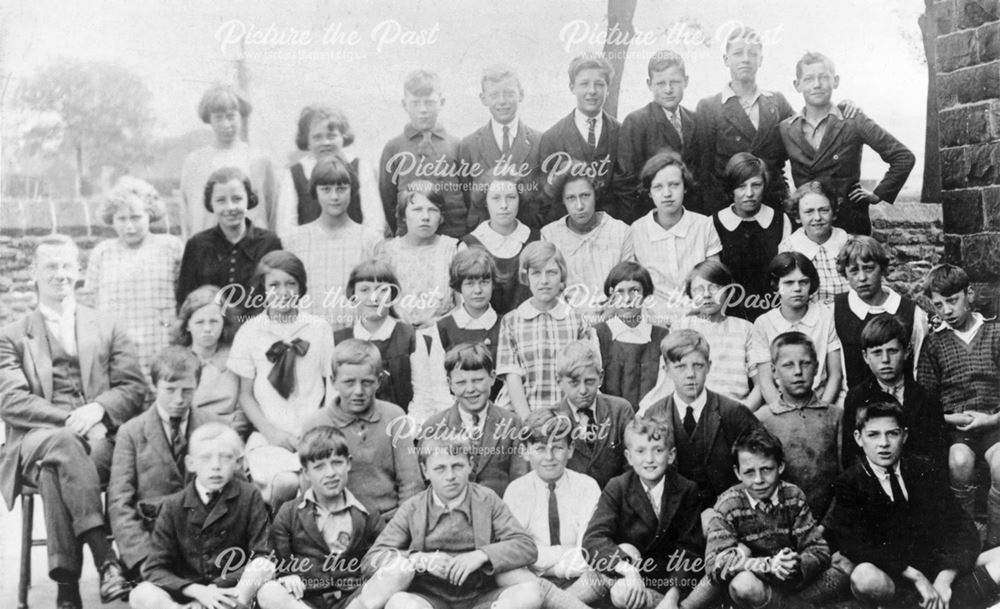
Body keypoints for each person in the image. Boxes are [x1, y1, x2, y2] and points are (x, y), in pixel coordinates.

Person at [0, 234, 145, 607]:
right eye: (51, 266)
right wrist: (70, 418)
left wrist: (98, 409)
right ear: (33, 273)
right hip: (35, 440)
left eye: (67, 265)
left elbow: (133, 387)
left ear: (79, 271)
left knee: (58, 469)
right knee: (62, 445)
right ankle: (106, 560)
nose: (60, 274)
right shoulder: (12, 336)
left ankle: (67, 588)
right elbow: (10, 399)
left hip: (97, 442)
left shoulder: (108, 325)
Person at [825, 400, 1000, 609]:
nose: (883, 443)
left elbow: (962, 527)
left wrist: (945, 578)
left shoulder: (924, 469)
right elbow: (856, 545)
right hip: (898, 582)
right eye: (873, 435)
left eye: (892, 433)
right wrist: (915, 577)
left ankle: (943, 602)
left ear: (904, 435)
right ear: (858, 438)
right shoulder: (849, 483)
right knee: (864, 576)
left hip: (938, 575)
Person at [353, 436, 543, 609]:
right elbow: (372, 559)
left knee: (530, 593)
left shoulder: (487, 500)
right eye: (440, 468)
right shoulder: (413, 508)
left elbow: (526, 546)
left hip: (480, 597)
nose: (450, 476)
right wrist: (419, 559)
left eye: (457, 466)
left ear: (470, 465)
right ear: (425, 471)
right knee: (400, 603)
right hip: (428, 599)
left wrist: (481, 555)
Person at [227, 251, 335, 510]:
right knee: (285, 483)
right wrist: (271, 432)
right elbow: (245, 394)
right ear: (262, 289)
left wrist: (317, 429)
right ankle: (276, 535)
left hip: (313, 431)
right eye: (274, 285)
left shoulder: (319, 328)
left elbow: (331, 386)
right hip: (270, 433)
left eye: (291, 284)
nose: (283, 292)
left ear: (301, 287)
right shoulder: (250, 331)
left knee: (312, 483)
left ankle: (311, 541)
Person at [129, 423, 276, 609]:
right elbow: (154, 568)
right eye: (206, 458)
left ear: (238, 463)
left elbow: (263, 553)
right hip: (189, 595)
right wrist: (196, 591)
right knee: (141, 593)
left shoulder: (249, 496)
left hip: (233, 592)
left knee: (263, 566)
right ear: (191, 463)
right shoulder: (174, 505)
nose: (216, 466)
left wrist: (219, 588)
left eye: (225, 457)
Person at [780, 52, 915, 236]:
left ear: (835, 81)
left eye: (824, 77)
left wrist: (877, 194)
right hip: (809, 225)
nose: (817, 84)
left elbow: (903, 157)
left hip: (849, 223)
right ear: (797, 85)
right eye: (809, 79)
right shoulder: (787, 129)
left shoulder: (853, 120)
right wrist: (792, 200)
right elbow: (773, 168)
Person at [704, 428, 840, 609]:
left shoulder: (793, 495)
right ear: (737, 472)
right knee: (742, 584)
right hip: (757, 586)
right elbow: (714, 565)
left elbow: (819, 549)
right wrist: (767, 565)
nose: (759, 480)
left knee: (844, 566)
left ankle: (791, 605)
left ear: (780, 467)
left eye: (766, 469)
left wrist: (796, 564)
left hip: (792, 583)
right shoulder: (728, 504)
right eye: (749, 472)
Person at [256, 426, 387, 609]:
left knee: (394, 573)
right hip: (307, 601)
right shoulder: (289, 512)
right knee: (269, 592)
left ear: (348, 463)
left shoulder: (366, 512)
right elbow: (277, 557)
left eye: (337, 463)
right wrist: (286, 577)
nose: (330, 473)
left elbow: (382, 552)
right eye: (319, 467)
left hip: (352, 600)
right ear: (306, 472)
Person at [582, 415, 705, 609]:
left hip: (669, 585)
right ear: (629, 457)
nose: (649, 459)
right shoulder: (618, 487)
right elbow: (593, 539)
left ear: (671, 455)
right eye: (640, 451)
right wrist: (629, 571)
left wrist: (672, 596)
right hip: (630, 577)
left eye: (658, 450)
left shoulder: (686, 489)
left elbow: (690, 550)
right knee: (621, 592)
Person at [917, 264, 1000, 545]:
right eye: (939, 305)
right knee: (959, 461)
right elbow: (926, 403)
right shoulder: (935, 344)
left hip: (995, 423)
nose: (947, 310)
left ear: (970, 294)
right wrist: (953, 419)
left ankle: (995, 541)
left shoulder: (995, 333)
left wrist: (992, 420)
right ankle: (963, 539)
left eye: (952, 301)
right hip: (956, 428)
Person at [109, 347, 209, 580]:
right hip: (153, 548)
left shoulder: (213, 426)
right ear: (155, 385)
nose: (178, 399)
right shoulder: (131, 433)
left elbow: (240, 494)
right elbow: (119, 503)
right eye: (170, 390)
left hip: (208, 548)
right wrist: (144, 560)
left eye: (187, 391)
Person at [304, 339, 424, 520]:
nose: (358, 391)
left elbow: (411, 483)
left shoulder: (394, 417)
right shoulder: (317, 423)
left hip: (390, 521)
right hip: (339, 522)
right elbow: (310, 490)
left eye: (367, 382)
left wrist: (401, 528)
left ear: (379, 381)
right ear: (333, 381)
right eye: (349, 382)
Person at [643, 329, 763, 511]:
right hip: (675, 520)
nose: (690, 374)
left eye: (698, 365)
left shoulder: (733, 413)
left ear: (709, 366)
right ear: (666, 370)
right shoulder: (654, 416)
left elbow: (761, 465)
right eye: (680, 366)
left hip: (729, 514)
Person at [85, 178, 183, 372]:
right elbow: (91, 306)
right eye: (121, 219)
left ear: (149, 215)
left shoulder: (171, 247)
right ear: (112, 220)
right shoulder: (102, 253)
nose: (129, 226)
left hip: (160, 343)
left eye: (136, 217)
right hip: (118, 349)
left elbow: (184, 298)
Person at [694, 26, 794, 213]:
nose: (746, 59)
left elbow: (805, 135)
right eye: (738, 53)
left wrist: (842, 107)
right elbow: (704, 169)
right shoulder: (709, 106)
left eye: (752, 53)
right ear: (726, 59)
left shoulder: (777, 101)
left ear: (760, 60)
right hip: (727, 208)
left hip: (773, 204)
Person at [503, 408, 602, 593]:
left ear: (570, 449)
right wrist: (565, 551)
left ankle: (556, 602)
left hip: (580, 582)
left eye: (557, 447)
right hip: (532, 583)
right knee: (511, 575)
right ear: (525, 451)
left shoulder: (587, 487)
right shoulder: (517, 491)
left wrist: (545, 563)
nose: (549, 458)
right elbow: (516, 554)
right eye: (540, 448)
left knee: (603, 573)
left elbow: (587, 555)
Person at [282, 155, 384, 329]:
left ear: (352, 190)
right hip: (307, 336)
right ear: (315, 191)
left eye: (342, 188)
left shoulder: (369, 240)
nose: (334, 196)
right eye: (326, 189)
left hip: (356, 337)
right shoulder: (295, 241)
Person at [624, 151, 722, 327]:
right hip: (654, 323)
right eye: (658, 187)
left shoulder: (703, 225)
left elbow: (714, 279)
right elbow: (636, 286)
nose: (667, 193)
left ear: (685, 186)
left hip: (699, 318)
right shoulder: (636, 231)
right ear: (649, 192)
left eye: (674, 185)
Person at [842, 314, 947, 470]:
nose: (885, 360)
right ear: (865, 356)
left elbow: (936, 455)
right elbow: (852, 455)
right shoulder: (857, 397)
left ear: (906, 352)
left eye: (892, 351)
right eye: (877, 353)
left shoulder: (926, 398)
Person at [422, 342, 527, 497]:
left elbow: (520, 481)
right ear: (450, 384)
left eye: (477, 380)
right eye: (461, 382)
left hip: (499, 514)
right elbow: (427, 486)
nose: (470, 389)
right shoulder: (434, 427)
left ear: (492, 378)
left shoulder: (512, 423)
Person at [497, 242, 589, 418]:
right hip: (522, 414)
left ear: (561, 275)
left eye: (552, 273)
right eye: (536, 273)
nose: (544, 281)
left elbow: (583, 376)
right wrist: (529, 421)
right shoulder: (511, 321)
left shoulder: (577, 320)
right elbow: (512, 378)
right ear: (526, 277)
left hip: (569, 415)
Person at [755, 332, 842, 517]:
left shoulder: (835, 416)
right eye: (788, 365)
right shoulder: (762, 419)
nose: (798, 372)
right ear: (774, 370)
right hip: (779, 524)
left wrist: (826, 527)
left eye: (805, 363)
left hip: (828, 524)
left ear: (817, 367)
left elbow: (846, 478)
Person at [176, 166, 283, 309]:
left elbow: (279, 296)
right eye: (221, 200)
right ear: (210, 204)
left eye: (237, 199)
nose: (230, 207)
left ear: (249, 199)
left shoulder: (269, 243)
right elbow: (186, 300)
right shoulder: (197, 245)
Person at [378, 69, 467, 238]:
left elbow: (467, 193)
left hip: (454, 233)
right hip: (411, 236)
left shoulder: (457, 145)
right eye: (416, 103)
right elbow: (387, 199)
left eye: (429, 102)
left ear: (441, 102)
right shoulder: (394, 147)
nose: (423, 109)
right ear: (405, 104)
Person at [180, 83, 277, 236]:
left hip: (251, 246)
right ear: (209, 119)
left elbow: (272, 211)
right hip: (208, 248)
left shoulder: (260, 159)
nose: (226, 124)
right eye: (218, 118)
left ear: (241, 116)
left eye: (231, 116)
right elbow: (188, 214)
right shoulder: (195, 162)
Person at [276, 103, 386, 236]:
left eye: (331, 136)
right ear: (307, 141)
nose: (325, 143)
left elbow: (375, 222)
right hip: (309, 249)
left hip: (355, 248)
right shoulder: (295, 174)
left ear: (343, 137)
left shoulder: (360, 167)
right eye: (317, 137)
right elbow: (286, 229)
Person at [833, 235, 928, 389]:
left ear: (882, 268)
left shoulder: (912, 313)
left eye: (869, 268)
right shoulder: (836, 310)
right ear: (845, 273)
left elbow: (920, 370)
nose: (862, 277)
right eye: (854, 271)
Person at [750, 252, 843, 407]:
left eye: (803, 282)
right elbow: (766, 382)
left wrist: (821, 409)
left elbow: (835, 375)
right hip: (779, 407)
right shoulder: (764, 323)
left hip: (820, 403)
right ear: (775, 285)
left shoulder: (825, 316)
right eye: (788, 283)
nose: (797, 289)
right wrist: (783, 413)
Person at [538, 54, 623, 222]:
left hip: (612, 229)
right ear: (572, 87)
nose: (592, 91)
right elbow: (546, 198)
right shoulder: (553, 137)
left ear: (608, 89)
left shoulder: (622, 133)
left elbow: (626, 190)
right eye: (584, 84)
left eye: (599, 84)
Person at [619, 50, 702, 220]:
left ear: (686, 81)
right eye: (661, 83)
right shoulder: (636, 122)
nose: (668, 89)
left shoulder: (695, 120)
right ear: (649, 84)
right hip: (652, 218)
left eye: (675, 82)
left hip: (690, 216)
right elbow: (626, 183)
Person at [458, 65, 544, 230]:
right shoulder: (469, 145)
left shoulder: (540, 142)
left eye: (509, 93)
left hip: (529, 234)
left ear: (521, 94)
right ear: (483, 98)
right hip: (485, 238)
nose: (502, 101)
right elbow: (467, 196)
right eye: (494, 94)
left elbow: (545, 197)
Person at [541, 164, 628, 322]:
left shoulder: (621, 231)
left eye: (585, 195)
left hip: (616, 319)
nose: (579, 206)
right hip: (568, 322)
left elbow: (629, 284)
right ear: (562, 200)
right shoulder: (550, 235)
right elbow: (552, 289)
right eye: (571, 198)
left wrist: (607, 316)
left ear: (596, 194)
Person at [710, 153, 791, 322]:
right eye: (741, 186)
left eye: (756, 185)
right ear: (731, 188)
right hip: (729, 314)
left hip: (772, 311)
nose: (749, 193)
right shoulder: (714, 223)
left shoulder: (780, 220)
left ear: (765, 185)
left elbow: (786, 274)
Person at [335, 259, 420, 414]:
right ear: (353, 294)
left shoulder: (409, 337)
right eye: (364, 290)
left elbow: (422, 393)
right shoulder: (339, 340)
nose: (374, 298)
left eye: (382, 290)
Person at [671, 260, 759, 407]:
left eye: (714, 287)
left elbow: (761, 384)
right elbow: (668, 381)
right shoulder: (681, 327)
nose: (706, 295)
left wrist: (743, 415)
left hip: (734, 412)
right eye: (698, 289)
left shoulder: (745, 329)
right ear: (690, 294)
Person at [550, 340, 634, 488]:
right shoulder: (551, 419)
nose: (583, 390)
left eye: (589, 381)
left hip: (616, 501)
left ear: (600, 377)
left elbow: (632, 465)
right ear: (559, 381)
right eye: (574, 383)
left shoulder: (620, 411)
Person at [170, 284, 250, 437]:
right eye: (199, 322)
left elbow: (243, 411)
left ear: (224, 322)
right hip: (191, 437)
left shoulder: (236, 358)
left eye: (214, 321)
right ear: (187, 325)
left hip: (231, 435)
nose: (207, 328)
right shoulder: (177, 361)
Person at [592, 261, 669, 412]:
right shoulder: (598, 335)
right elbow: (594, 385)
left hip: (649, 421)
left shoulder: (661, 336)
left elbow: (663, 386)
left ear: (645, 293)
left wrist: (641, 416)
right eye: (620, 292)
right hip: (609, 419)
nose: (627, 299)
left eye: (634, 290)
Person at [460, 176, 539, 317]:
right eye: (495, 198)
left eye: (511, 197)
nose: (504, 205)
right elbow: (464, 305)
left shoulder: (536, 239)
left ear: (520, 199)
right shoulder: (469, 245)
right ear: (485, 201)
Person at [380, 187, 459, 328]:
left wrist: (436, 324)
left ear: (441, 217)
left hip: (442, 334)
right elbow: (379, 304)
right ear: (403, 215)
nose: (425, 217)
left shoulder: (452, 250)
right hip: (399, 335)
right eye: (417, 210)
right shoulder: (388, 252)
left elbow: (462, 306)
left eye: (433, 210)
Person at [778, 181, 850, 305]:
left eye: (824, 210)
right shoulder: (789, 248)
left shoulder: (849, 243)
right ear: (798, 216)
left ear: (833, 213)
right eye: (809, 212)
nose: (817, 217)